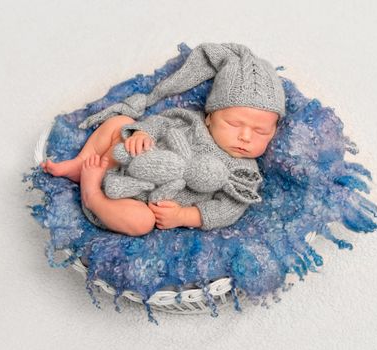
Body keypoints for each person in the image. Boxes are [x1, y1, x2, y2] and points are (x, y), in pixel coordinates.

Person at [40, 43, 285, 236]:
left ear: (273, 132)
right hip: (118, 160)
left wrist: (183, 216)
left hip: (130, 200)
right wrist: (142, 133)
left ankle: (91, 195)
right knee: (119, 123)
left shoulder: (244, 173)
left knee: (142, 222)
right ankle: (80, 164)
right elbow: (160, 121)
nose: (245, 136)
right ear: (210, 116)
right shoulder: (191, 121)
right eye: (234, 124)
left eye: (261, 131)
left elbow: (228, 210)